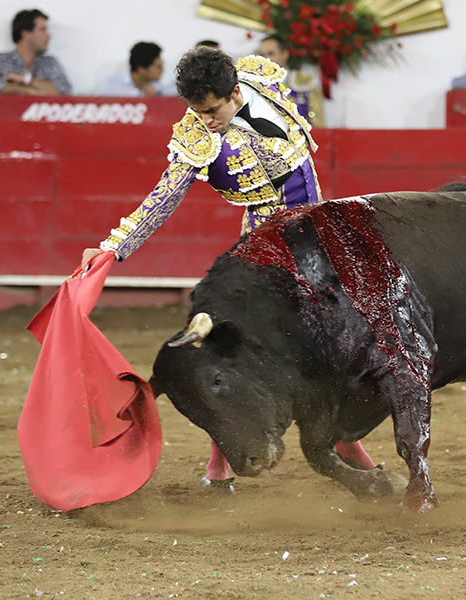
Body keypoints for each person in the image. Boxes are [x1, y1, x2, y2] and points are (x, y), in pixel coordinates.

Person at [80, 47, 374, 487]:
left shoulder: (261, 78)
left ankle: (344, 441)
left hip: (317, 239)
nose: (205, 121)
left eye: (212, 110)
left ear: (235, 91)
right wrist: (112, 248)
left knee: (343, 342)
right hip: (266, 251)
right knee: (246, 353)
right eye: (196, 112)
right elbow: (162, 199)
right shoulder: (196, 139)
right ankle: (222, 463)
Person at [0, 8, 71, 96]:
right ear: (26, 34)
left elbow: (64, 90)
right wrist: (29, 90)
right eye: (42, 30)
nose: (48, 36)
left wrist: (24, 79)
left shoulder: (50, 63)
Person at [258, 34, 325, 127]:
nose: (265, 59)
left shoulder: (305, 83)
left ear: (285, 54)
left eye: (271, 54)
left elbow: (317, 124)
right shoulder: (253, 84)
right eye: (262, 55)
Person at [94, 42, 166, 97]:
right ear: (141, 69)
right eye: (159, 67)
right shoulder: (109, 86)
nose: (163, 70)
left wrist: (154, 100)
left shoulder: (158, 89)